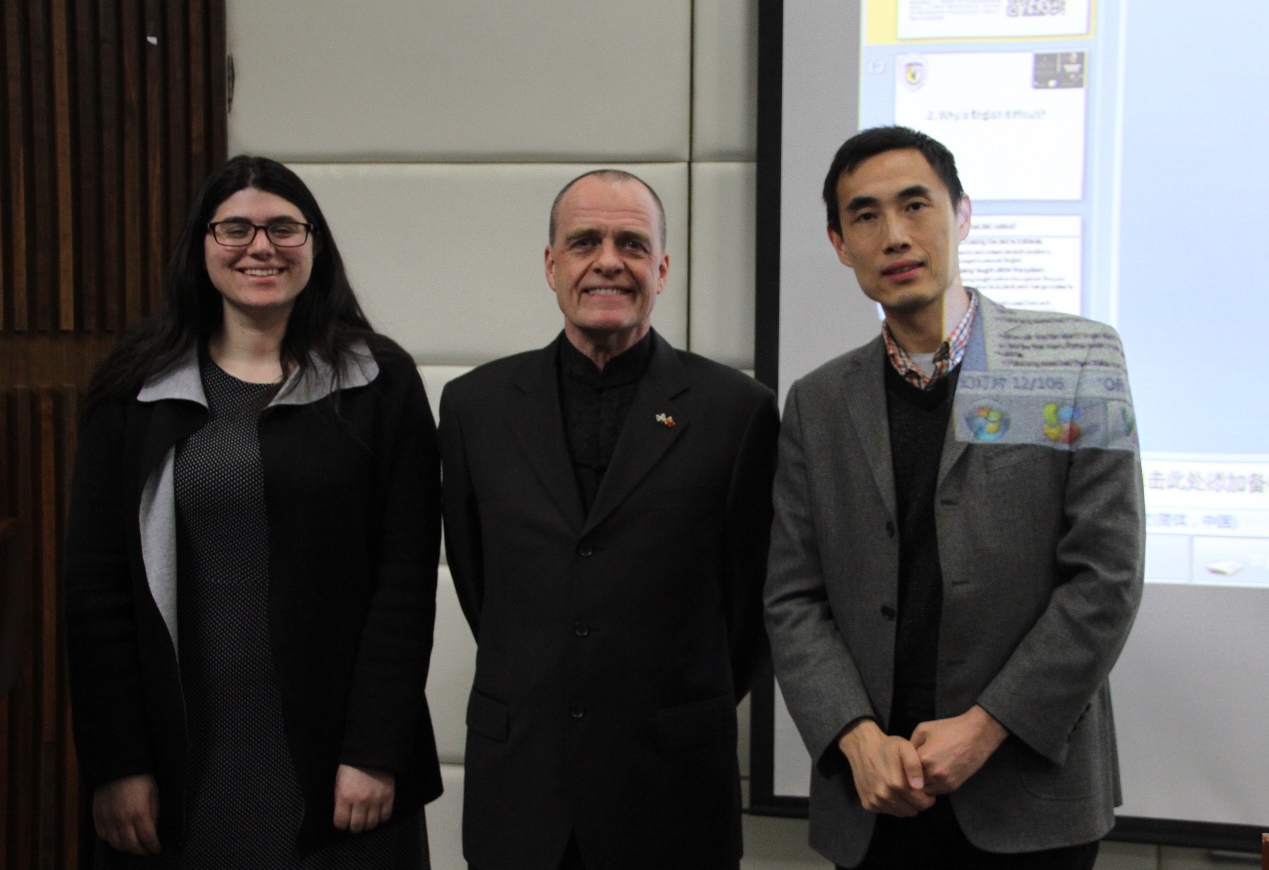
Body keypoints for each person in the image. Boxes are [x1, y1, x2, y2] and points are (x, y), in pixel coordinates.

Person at [763, 126, 1145, 869]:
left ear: (962, 214)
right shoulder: (817, 402)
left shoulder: (1078, 360)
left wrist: (987, 725)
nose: (894, 236)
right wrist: (854, 737)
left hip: (1029, 795)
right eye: (865, 216)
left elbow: (1107, 576)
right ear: (840, 244)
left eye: (916, 205)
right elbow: (792, 596)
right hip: (876, 793)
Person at [64, 155, 442, 867]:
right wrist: (118, 763)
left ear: (314, 244)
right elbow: (96, 590)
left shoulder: (378, 381)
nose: (260, 247)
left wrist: (374, 749)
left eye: (283, 228)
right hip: (177, 763)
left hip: (339, 766)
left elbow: (406, 580)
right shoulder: (133, 388)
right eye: (235, 228)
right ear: (200, 246)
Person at [439, 169, 779, 870]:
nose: (607, 262)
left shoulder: (736, 411)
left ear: (662, 269)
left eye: (631, 244)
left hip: (671, 794)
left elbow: (751, 606)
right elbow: (481, 586)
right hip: (522, 794)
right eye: (584, 242)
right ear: (551, 265)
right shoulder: (475, 407)